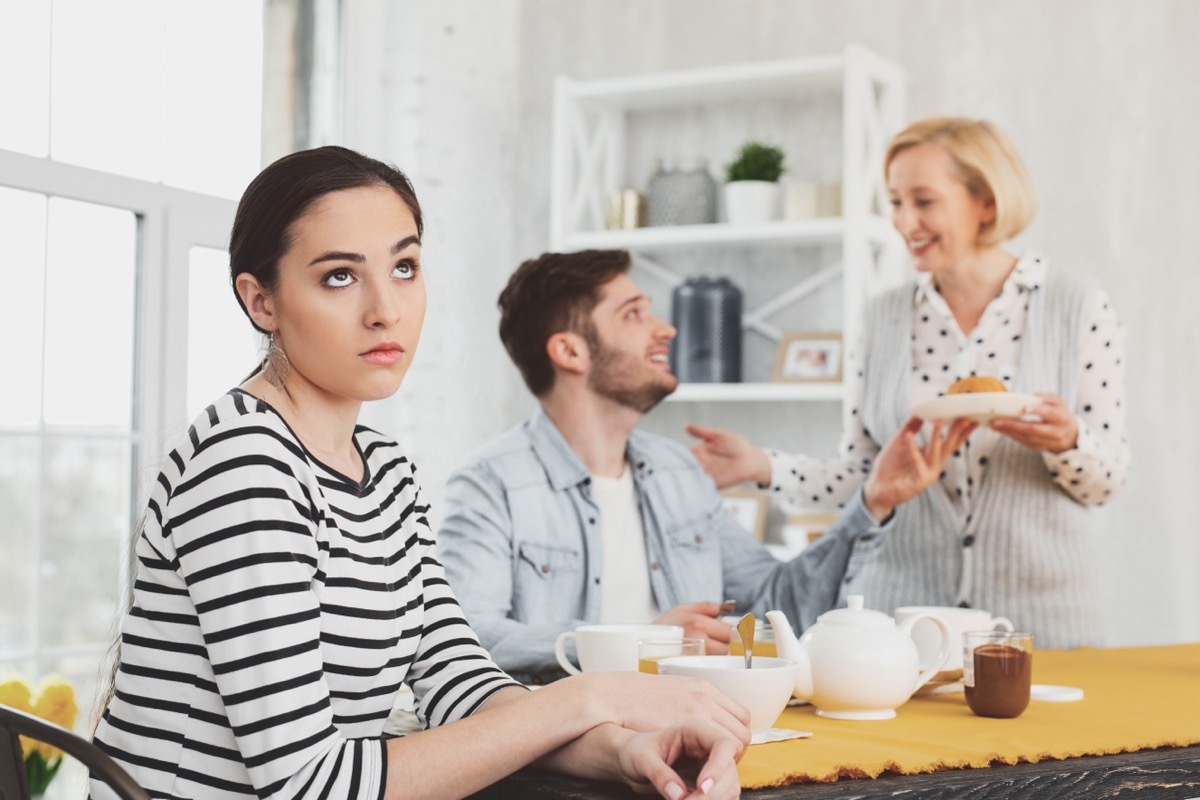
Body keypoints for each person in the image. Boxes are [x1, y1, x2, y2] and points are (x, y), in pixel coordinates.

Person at [90, 146, 755, 800]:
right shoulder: (244, 465)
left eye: (404, 266)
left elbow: (456, 680)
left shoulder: (383, 470)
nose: (387, 309)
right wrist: (592, 694)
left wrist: (622, 751)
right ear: (261, 301)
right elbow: (307, 785)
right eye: (340, 277)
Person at [688, 117, 1130, 649]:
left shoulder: (1075, 304)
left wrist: (1066, 442)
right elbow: (866, 478)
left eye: (923, 201)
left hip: (1044, 628)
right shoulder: (883, 319)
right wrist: (762, 466)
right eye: (895, 202)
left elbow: (1106, 480)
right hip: (908, 633)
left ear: (985, 203)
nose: (904, 221)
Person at [436, 248, 974, 681]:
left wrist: (873, 502)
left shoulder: (678, 473)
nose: (666, 329)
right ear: (570, 352)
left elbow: (773, 607)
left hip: (700, 726)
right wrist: (645, 643)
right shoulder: (490, 485)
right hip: (571, 754)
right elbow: (466, 640)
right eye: (634, 314)